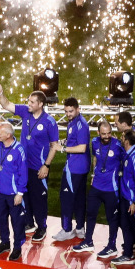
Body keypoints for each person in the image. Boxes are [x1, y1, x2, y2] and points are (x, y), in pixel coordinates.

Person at [0, 82, 58, 242]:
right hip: (22, 165)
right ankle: (29, 222)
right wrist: (0, 94)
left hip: (38, 167)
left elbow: (54, 146)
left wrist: (46, 165)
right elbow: (7, 104)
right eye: (28, 101)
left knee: (38, 199)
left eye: (32, 102)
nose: (28, 104)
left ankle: (42, 227)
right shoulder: (25, 111)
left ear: (40, 104)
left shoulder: (49, 122)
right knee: (24, 195)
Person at [73, 122, 121, 257]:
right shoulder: (94, 142)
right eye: (104, 134)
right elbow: (95, 157)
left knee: (112, 218)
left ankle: (112, 246)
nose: (107, 136)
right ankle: (88, 241)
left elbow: (125, 162)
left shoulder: (118, 145)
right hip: (96, 186)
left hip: (111, 189)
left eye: (109, 133)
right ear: (98, 133)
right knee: (90, 214)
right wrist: (93, 174)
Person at [54, 98, 89, 241]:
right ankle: (80, 228)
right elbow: (75, 140)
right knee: (79, 198)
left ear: (78, 109)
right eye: (66, 111)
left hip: (74, 168)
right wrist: (63, 141)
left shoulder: (81, 124)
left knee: (66, 198)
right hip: (81, 167)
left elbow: (82, 148)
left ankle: (67, 229)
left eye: (71, 111)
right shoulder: (74, 122)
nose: (68, 114)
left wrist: (62, 148)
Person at [0, 123, 28, 261]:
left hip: (13, 193)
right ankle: (5, 242)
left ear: (8, 135)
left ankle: (17, 247)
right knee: (1, 219)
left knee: (17, 221)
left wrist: (20, 193)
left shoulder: (18, 149)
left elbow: (23, 172)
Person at [114, 129, 135, 266]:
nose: (121, 139)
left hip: (131, 200)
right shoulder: (128, 154)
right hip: (125, 197)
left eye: (122, 137)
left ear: (126, 141)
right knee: (125, 225)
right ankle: (128, 254)